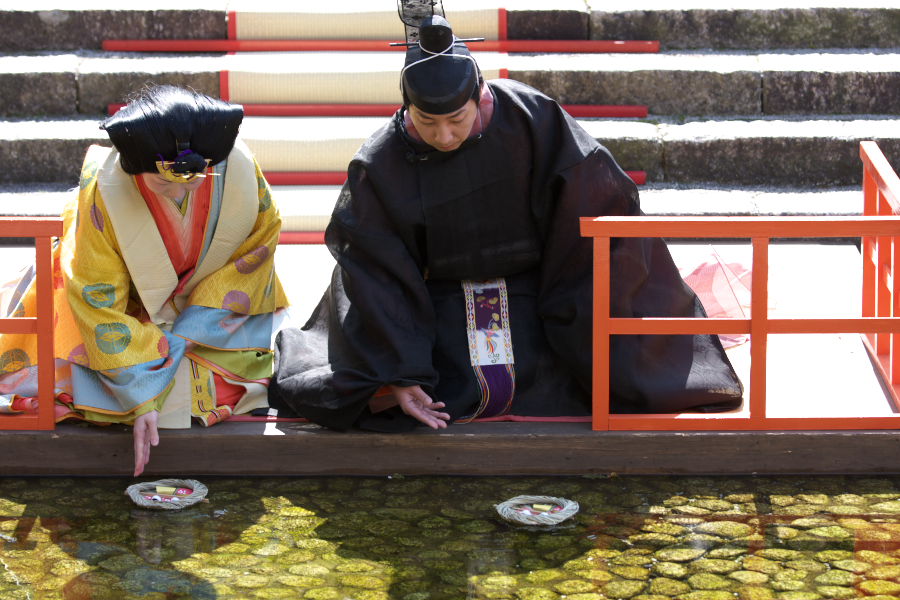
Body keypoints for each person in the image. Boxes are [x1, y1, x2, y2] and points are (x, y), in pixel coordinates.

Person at [269, 15, 743, 432]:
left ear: (479, 94)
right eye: (426, 123)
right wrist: (402, 369)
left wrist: (579, 303)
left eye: (456, 119)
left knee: (607, 369)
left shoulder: (533, 119)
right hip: (435, 303)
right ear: (405, 107)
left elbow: (595, 198)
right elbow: (374, 266)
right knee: (409, 387)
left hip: (544, 289)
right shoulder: (382, 160)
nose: (444, 135)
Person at [0, 85, 289, 474]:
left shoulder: (236, 169)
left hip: (212, 316)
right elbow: (95, 291)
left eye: (192, 180)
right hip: (124, 311)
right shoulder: (105, 187)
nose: (180, 189)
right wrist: (139, 387)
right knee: (89, 390)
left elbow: (253, 257)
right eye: (162, 183)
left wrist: (182, 337)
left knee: (212, 391)